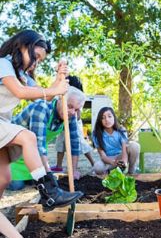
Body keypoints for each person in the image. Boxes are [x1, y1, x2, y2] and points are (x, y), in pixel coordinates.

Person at [0, 29, 82, 211]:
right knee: (28, 137)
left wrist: (59, 78)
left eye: (40, 60)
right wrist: (54, 90)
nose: (36, 63)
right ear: (22, 46)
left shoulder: (22, 76)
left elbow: (46, 96)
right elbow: (21, 92)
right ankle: (50, 192)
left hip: (3, 123)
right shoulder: (3, 64)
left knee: (4, 178)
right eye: (35, 56)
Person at [10, 86, 87, 188]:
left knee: (37, 183)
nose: (73, 112)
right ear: (60, 99)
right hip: (11, 151)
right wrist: (48, 174)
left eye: (76, 109)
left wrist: (73, 170)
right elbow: (38, 144)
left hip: (33, 156)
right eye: (69, 106)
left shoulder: (70, 116)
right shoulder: (42, 108)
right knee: (17, 186)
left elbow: (74, 143)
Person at [51, 75, 95, 173]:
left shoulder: (79, 97)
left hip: (74, 122)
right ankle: (58, 165)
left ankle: (93, 163)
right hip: (63, 122)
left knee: (79, 142)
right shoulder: (64, 96)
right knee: (60, 142)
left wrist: (72, 114)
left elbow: (77, 115)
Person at [92, 107, 140, 176]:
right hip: (108, 160)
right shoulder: (96, 134)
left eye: (109, 116)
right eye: (103, 117)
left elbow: (124, 151)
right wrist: (112, 162)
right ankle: (109, 172)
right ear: (100, 120)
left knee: (135, 146)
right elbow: (103, 156)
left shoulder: (121, 130)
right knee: (97, 167)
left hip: (120, 157)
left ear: (114, 117)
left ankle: (131, 172)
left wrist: (124, 162)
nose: (107, 120)